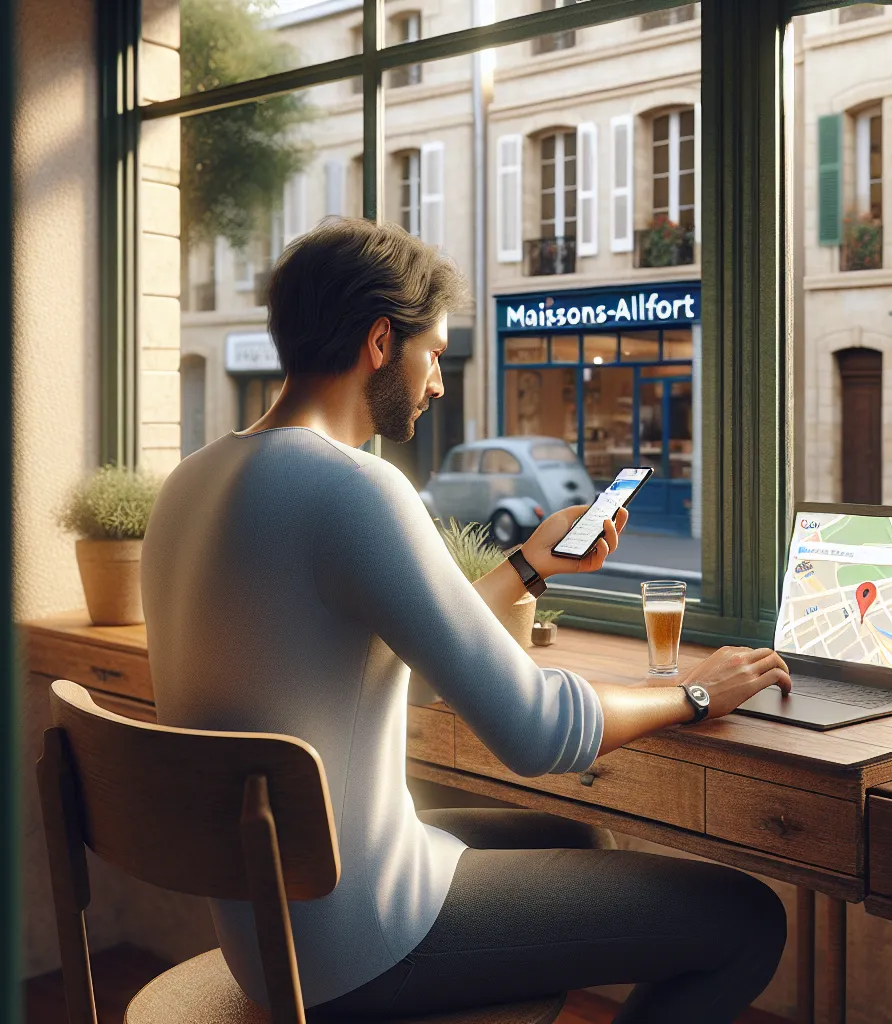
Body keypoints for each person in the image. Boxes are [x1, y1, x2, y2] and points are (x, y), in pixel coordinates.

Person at [141, 218, 792, 1023]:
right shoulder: (354, 488)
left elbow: (382, 663)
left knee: (580, 846)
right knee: (747, 919)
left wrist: (527, 569)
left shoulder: (191, 485)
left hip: (267, 921)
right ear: (382, 341)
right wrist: (693, 691)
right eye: (436, 354)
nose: (439, 382)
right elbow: (535, 733)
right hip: (354, 942)